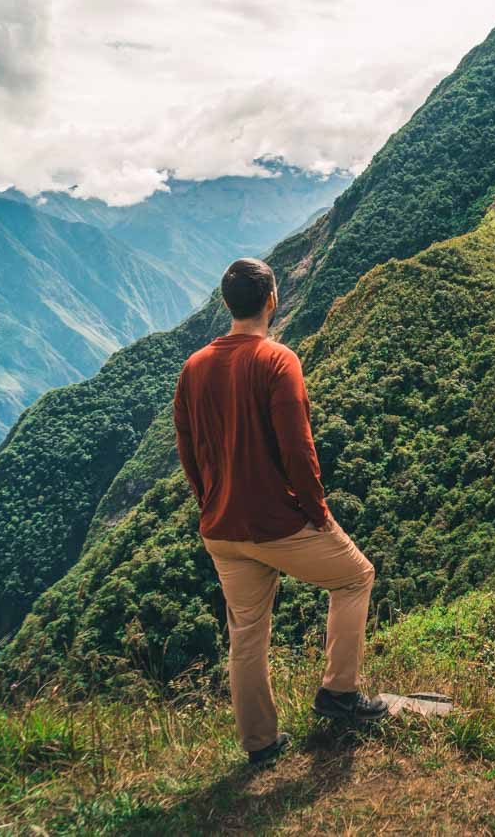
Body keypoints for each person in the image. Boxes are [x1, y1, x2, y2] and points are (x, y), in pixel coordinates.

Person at [174, 257, 388, 766]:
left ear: (227, 304)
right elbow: (298, 448)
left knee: (246, 635)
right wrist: (318, 513)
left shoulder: (194, 366)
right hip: (277, 523)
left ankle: (261, 746)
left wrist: (207, 501)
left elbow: (186, 446)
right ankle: (339, 692)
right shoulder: (278, 360)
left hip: (221, 528)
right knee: (355, 577)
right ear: (273, 300)